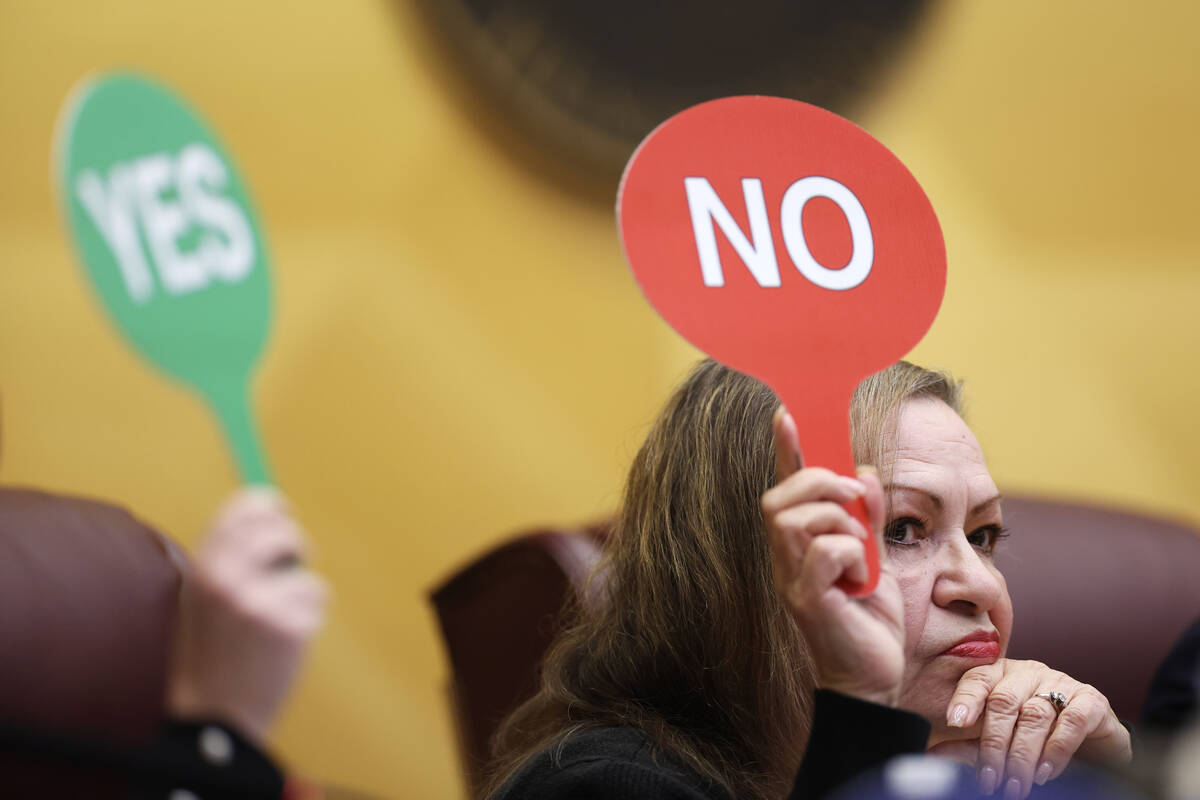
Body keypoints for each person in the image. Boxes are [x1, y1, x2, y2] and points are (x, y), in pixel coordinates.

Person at [484, 359, 1131, 800]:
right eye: (902, 527)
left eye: (983, 536)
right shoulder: (604, 787)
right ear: (743, 564)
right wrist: (863, 728)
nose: (982, 587)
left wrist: (1110, 785)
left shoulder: (970, 777)